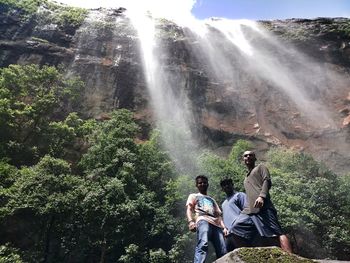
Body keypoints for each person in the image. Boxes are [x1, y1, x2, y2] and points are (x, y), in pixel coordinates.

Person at [232, 150, 292, 253]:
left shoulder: (260, 167)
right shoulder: (246, 178)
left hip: (264, 207)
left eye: (251, 155)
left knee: (278, 233)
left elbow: (267, 181)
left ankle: (291, 259)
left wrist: (262, 197)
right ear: (243, 159)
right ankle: (249, 256)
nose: (248, 157)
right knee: (236, 228)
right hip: (250, 211)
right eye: (246, 156)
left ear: (255, 158)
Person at [186, 175, 227, 263]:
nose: (202, 184)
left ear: (207, 184)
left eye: (204, 182)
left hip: (216, 225)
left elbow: (218, 216)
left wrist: (224, 228)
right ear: (196, 185)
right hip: (203, 220)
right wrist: (190, 222)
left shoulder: (212, 199)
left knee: (222, 249)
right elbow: (189, 209)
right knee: (203, 244)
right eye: (200, 183)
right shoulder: (194, 196)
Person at [220, 178, 246, 252]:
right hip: (229, 234)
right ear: (222, 189)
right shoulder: (223, 203)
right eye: (224, 185)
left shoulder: (239, 195)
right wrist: (224, 228)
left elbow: (247, 210)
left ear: (232, 185)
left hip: (240, 231)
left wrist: (238, 223)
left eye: (228, 184)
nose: (226, 186)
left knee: (243, 253)